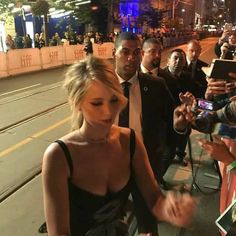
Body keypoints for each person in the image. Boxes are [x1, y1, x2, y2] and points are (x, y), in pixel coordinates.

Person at [42, 56, 196, 236]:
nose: (108, 112)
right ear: (78, 104)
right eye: (97, 103)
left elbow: (154, 199)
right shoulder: (59, 155)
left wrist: (171, 208)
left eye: (114, 100)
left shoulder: (130, 141)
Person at [114, 32, 176, 235]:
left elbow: (173, 120)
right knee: (109, 224)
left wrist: (181, 124)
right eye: (125, 52)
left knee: (148, 224)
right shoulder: (100, 86)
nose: (131, 58)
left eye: (136, 52)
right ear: (114, 53)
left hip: (144, 167)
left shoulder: (156, 86)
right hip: (110, 168)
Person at [161, 48, 195, 166]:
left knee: (185, 134)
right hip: (165, 118)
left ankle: (180, 155)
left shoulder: (188, 77)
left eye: (181, 59)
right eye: (175, 58)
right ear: (168, 61)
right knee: (167, 150)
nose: (178, 62)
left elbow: (196, 94)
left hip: (182, 117)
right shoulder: (160, 77)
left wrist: (189, 102)